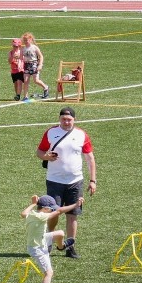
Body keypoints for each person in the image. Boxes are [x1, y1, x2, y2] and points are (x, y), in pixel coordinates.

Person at [36, 106, 97, 259]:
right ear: (59, 119)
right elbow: (39, 152)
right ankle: (49, 241)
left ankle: (71, 246)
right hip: (54, 180)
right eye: (63, 119)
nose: (66, 122)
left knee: (72, 215)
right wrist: (47, 157)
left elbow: (90, 158)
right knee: (52, 212)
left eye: (69, 120)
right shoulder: (51, 132)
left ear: (74, 120)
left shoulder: (81, 135)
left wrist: (93, 180)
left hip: (75, 181)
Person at [20, 194, 84, 283]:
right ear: (45, 208)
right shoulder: (42, 216)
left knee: (60, 233)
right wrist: (76, 205)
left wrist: (33, 204)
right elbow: (59, 212)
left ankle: (61, 246)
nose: (52, 211)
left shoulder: (32, 214)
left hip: (41, 239)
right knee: (48, 273)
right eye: (51, 209)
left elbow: (23, 213)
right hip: (37, 248)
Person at [21, 32, 50, 100]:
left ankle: (45, 87)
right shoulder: (23, 48)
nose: (25, 42)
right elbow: (21, 57)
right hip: (26, 65)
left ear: (30, 40)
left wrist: (40, 65)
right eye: (24, 40)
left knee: (36, 80)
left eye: (27, 40)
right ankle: (25, 96)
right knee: (26, 81)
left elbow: (41, 56)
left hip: (34, 64)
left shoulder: (34, 47)